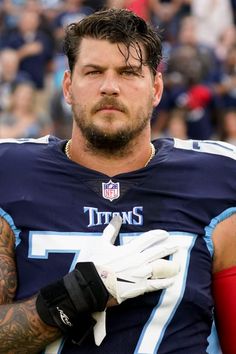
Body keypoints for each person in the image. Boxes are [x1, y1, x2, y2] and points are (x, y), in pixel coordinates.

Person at [0, 7, 236, 354]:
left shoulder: (218, 176)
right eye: (94, 72)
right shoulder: (11, 171)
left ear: (156, 89)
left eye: (128, 72)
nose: (110, 87)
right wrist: (73, 298)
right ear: (68, 86)